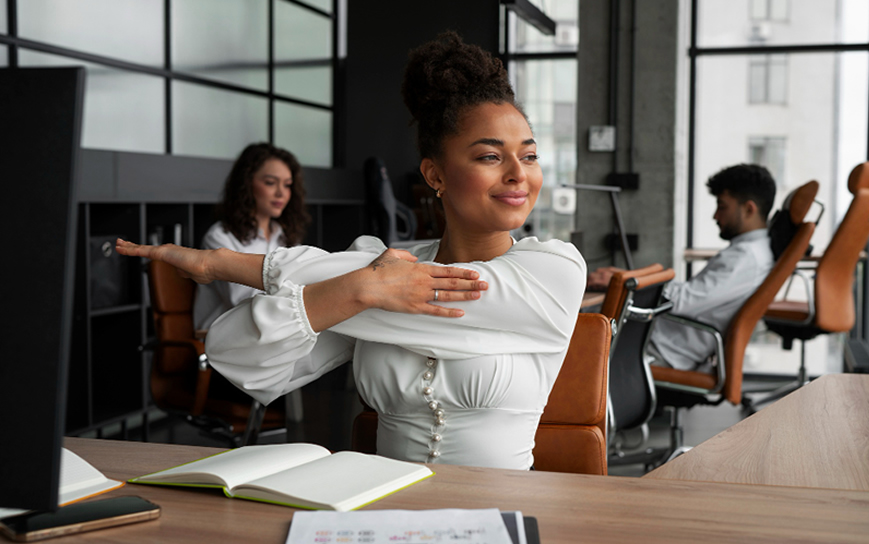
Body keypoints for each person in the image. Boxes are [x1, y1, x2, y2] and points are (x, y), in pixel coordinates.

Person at [116, 32, 587, 471]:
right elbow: (232, 350)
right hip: (383, 514)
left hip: (497, 518)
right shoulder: (376, 266)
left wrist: (225, 265)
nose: (518, 174)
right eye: (490, 156)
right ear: (435, 175)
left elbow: (441, 293)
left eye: (528, 155)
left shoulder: (553, 270)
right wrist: (360, 288)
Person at [588, 164, 776, 372]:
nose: (715, 216)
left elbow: (683, 300)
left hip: (662, 349)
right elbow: (694, 296)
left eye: (722, 206)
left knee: (576, 334)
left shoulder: (746, 257)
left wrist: (626, 281)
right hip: (663, 340)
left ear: (749, 209)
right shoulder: (756, 251)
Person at [193, 143, 311, 331]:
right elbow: (244, 300)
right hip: (228, 337)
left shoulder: (285, 236)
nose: (281, 193)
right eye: (270, 183)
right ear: (247, 184)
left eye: (287, 185)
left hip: (273, 330)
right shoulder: (220, 237)